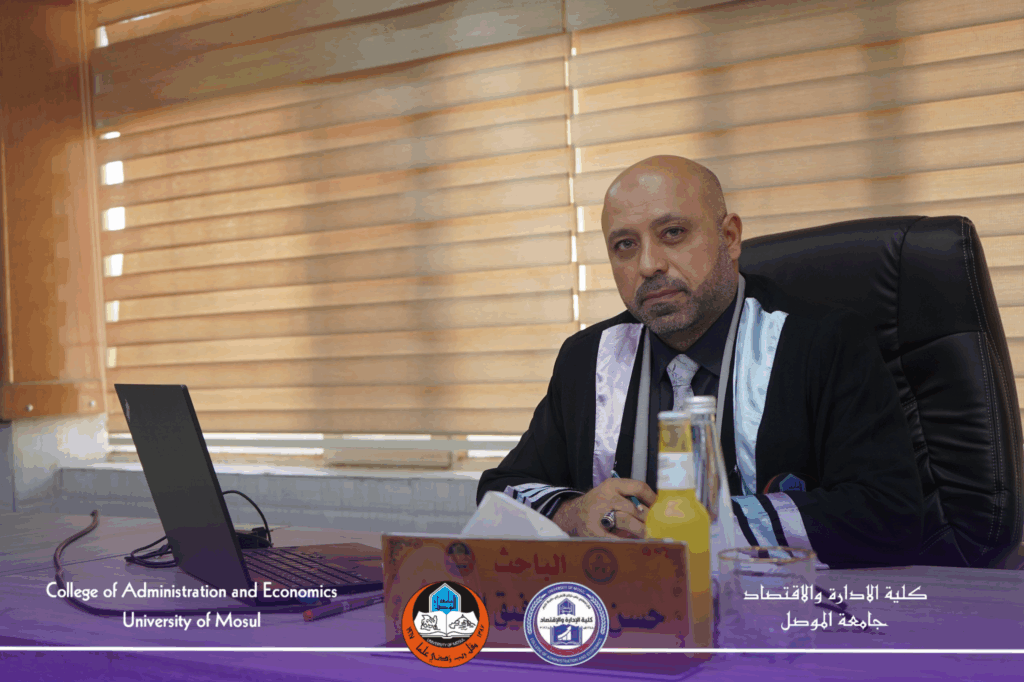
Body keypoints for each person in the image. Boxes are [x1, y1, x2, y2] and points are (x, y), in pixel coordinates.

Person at [476, 155, 924, 568]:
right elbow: (501, 489)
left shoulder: (823, 343)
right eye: (625, 245)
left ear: (729, 238)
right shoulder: (587, 358)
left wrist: (692, 527)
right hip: (626, 611)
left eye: (673, 233)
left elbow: (888, 512)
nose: (649, 264)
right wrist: (574, 513)